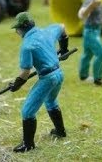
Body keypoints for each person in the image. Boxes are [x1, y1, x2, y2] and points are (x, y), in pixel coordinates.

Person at [10, 12, 69, 153]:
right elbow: (62, 27)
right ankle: (60, 131)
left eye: (17, 28)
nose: (16, 31)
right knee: (51, 101)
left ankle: (28, 144)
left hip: (48, 78)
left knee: (27, 111)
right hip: (59, 74)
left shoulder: (27, 46)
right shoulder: (47, 31)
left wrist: (16, 85)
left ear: (23, 28)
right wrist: (64, 47)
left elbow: (25, 72)